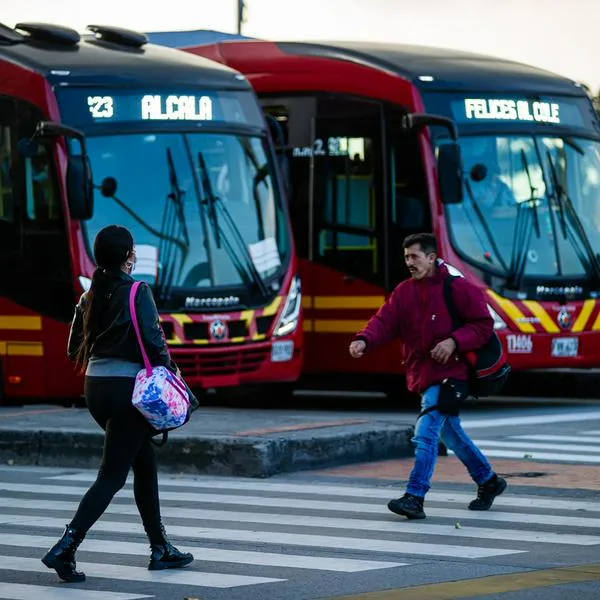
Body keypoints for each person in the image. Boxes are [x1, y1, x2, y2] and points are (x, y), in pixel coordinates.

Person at [41, 225, 194, 582]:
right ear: (128, 255)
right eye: (133, 249)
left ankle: (160, 548)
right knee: (111, 476)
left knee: (144, 463)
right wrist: (171, 374)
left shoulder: (89, 295)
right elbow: (154, 341)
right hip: (130, 391)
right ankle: (65, 548)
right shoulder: (137, 291)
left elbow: (72, 348)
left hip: (96, 388)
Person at [348, 232, 507, 520]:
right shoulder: (405, 291)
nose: (409, 262)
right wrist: (364, 340)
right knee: (452, 434)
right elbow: (384, 321)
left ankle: (415, 496)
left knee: (426, 434)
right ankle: (489, 481)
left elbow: (483, 325)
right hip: (424, 373)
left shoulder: (458, 288)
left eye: (415, 256)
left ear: (432, 257)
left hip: (453, 374)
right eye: (406, 257)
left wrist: (453, 342)